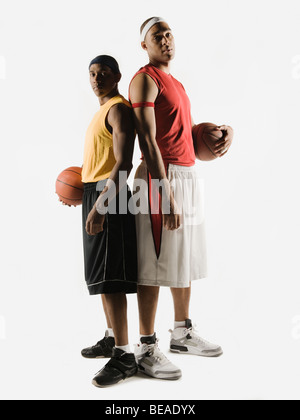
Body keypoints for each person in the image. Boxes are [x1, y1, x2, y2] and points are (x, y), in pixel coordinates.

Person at [129, 17, 234, 380]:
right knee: (153, 262)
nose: (166, 39)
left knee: (182, 258)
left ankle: (182, 332)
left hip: (185, 174)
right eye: (158, 35)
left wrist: (223, 133)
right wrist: (164, 191)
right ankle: (145, 346)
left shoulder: (177, 83)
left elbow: (185, 136)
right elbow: (147, 138)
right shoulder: (145, 79)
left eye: (169, 33)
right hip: (161, 178)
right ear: (145, 45)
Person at [80, 55, 138, 387]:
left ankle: (125, 355)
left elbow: (123, 164)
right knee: (101, 277)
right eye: (92, 73)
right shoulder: (100, 112)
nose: (96, 78)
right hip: (95, 191)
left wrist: (101, 205)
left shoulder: (118, 109)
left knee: (112, 278)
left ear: (116, 76)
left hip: (110, 195)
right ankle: (111, 337)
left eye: (103, 73)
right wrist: (83, 192)